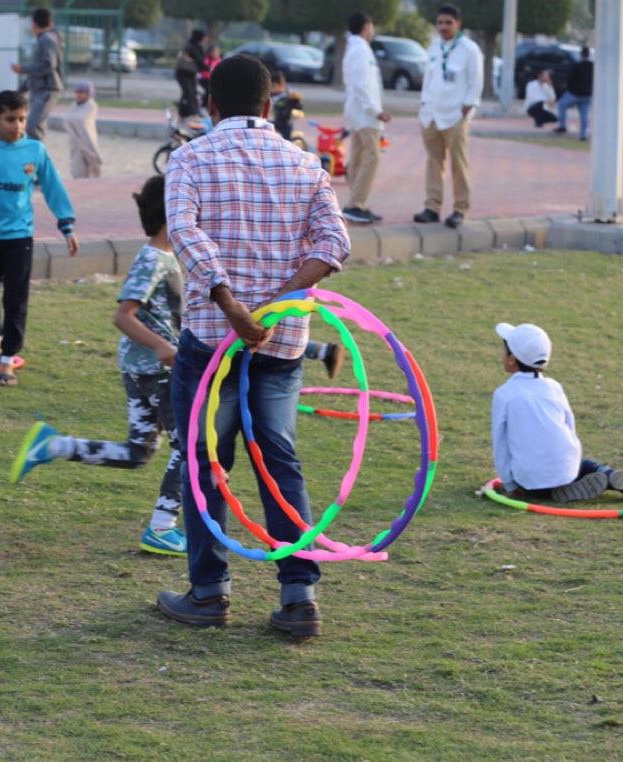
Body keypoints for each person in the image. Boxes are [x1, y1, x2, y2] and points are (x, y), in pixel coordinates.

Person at [157, 54, 350, 638]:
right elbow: (334, 242)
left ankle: (208, 593)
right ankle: (299, 599)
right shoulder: (305, 163)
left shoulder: (190, 157)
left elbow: (183, 232)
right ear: (270, 105)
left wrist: (232, 304)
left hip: (211, 342)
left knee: (206, 464)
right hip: (281, 345)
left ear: (210, 105)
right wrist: (277, 304)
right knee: (278, 461)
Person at [9, 175, 187, 557]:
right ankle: (162, 527)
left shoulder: (167, 256)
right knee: (190, 448)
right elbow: (123, 316)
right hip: (155, 371)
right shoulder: (153, 259)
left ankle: (54, 446)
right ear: (173, 212)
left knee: (139, 452)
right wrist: (162, 347)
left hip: (143, 368)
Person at [0, 90, 79, 387]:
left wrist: (67, 225)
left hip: (20, 236)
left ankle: (8, 359)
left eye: (22, 119)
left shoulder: (35, 150)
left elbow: (53, 187)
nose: (17, 125)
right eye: (10, 119)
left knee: (15, 298)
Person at [492, 322, 623, 503]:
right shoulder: (554, 387)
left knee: (532, 480)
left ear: (511, 359)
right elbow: (569, 427)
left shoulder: (504, 394)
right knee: (584, 465)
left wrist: (510, 486)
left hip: (533, 477)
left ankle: (553, 492)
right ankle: (607, 475)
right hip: (567, 466)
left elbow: (500, 445)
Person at [413, 3, 482, 230]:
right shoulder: (434, 47)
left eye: (448, 23)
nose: (443, 27)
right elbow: (428, 79)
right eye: (440, 23)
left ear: (458, 24)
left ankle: (460, 209)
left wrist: (467, 108)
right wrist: (425, 103)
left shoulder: (469, 49)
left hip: (456, 115)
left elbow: (475, 82)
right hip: (432, 114)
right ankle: (432, 207)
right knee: (433, 162)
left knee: (459, 163)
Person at [340, 11, 392, 225]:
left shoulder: (355, 49)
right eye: (371, 26)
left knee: (359, 158)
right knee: (372, 157)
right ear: (366, 26)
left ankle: (357, 203)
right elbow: (361, 86)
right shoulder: (360, 50)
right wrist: (375, 110)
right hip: (365, 114)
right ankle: (355, 204)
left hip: (359, 112)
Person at [11, 7, 63, 141]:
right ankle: (38, 153)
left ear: (34, 25)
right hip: (40, 89)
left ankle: (39, 154)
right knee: (35, 126)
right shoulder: (45, 39)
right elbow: (36, 70)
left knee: (33, 127)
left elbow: (47, 65)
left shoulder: (47, 39)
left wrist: (22, 68)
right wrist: (21, 90)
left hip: (46, 89)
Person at [62, 80, 102, 179]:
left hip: (87, 139)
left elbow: (82, 119)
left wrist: (72, 120)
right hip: (75, 141)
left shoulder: (91, 106)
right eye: (77, 92)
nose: (79, 95)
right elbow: (67, 119)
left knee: (93, 163)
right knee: (77, 168)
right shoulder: (74, 105)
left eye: (81, 92)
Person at [554, 47, 593, 141]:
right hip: (587, 94)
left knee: (561, 105)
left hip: (574, 93)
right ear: (589, 55)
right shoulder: (592, 66)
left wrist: (570, 89)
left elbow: (569, 79)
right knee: (584, 115)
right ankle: (583, 135)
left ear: (581, 55)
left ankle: (562, 126)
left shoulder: (576, 66)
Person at [174, 30, 208, 122]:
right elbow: (199, 61)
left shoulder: (198, 47)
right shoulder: (191, 47)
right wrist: (209, 69)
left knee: (188, 93)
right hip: (183, 73)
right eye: (204, 38)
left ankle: (182, 114)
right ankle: (193, 114)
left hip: (191, 73)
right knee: (189, 93)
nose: (204, 40)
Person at [268, 70, 304, 142]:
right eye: (270, 87)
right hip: (277, 121)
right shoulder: (273, 95)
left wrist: (296, 101)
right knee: (267, 126)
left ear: (282, 85)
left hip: (286, 123)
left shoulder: (289, 97)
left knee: (287, 140)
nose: (271, 89)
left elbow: (299, 107)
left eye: (273, 86)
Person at [199, 44, 221, 109]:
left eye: (217, 52)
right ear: (210, 52)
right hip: (204, 79)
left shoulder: (220, 60)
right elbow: (203, 68)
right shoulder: (206, 60)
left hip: (214, 80)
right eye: (214, 52)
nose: (216, 54)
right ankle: (203, 106)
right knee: (209, 90)